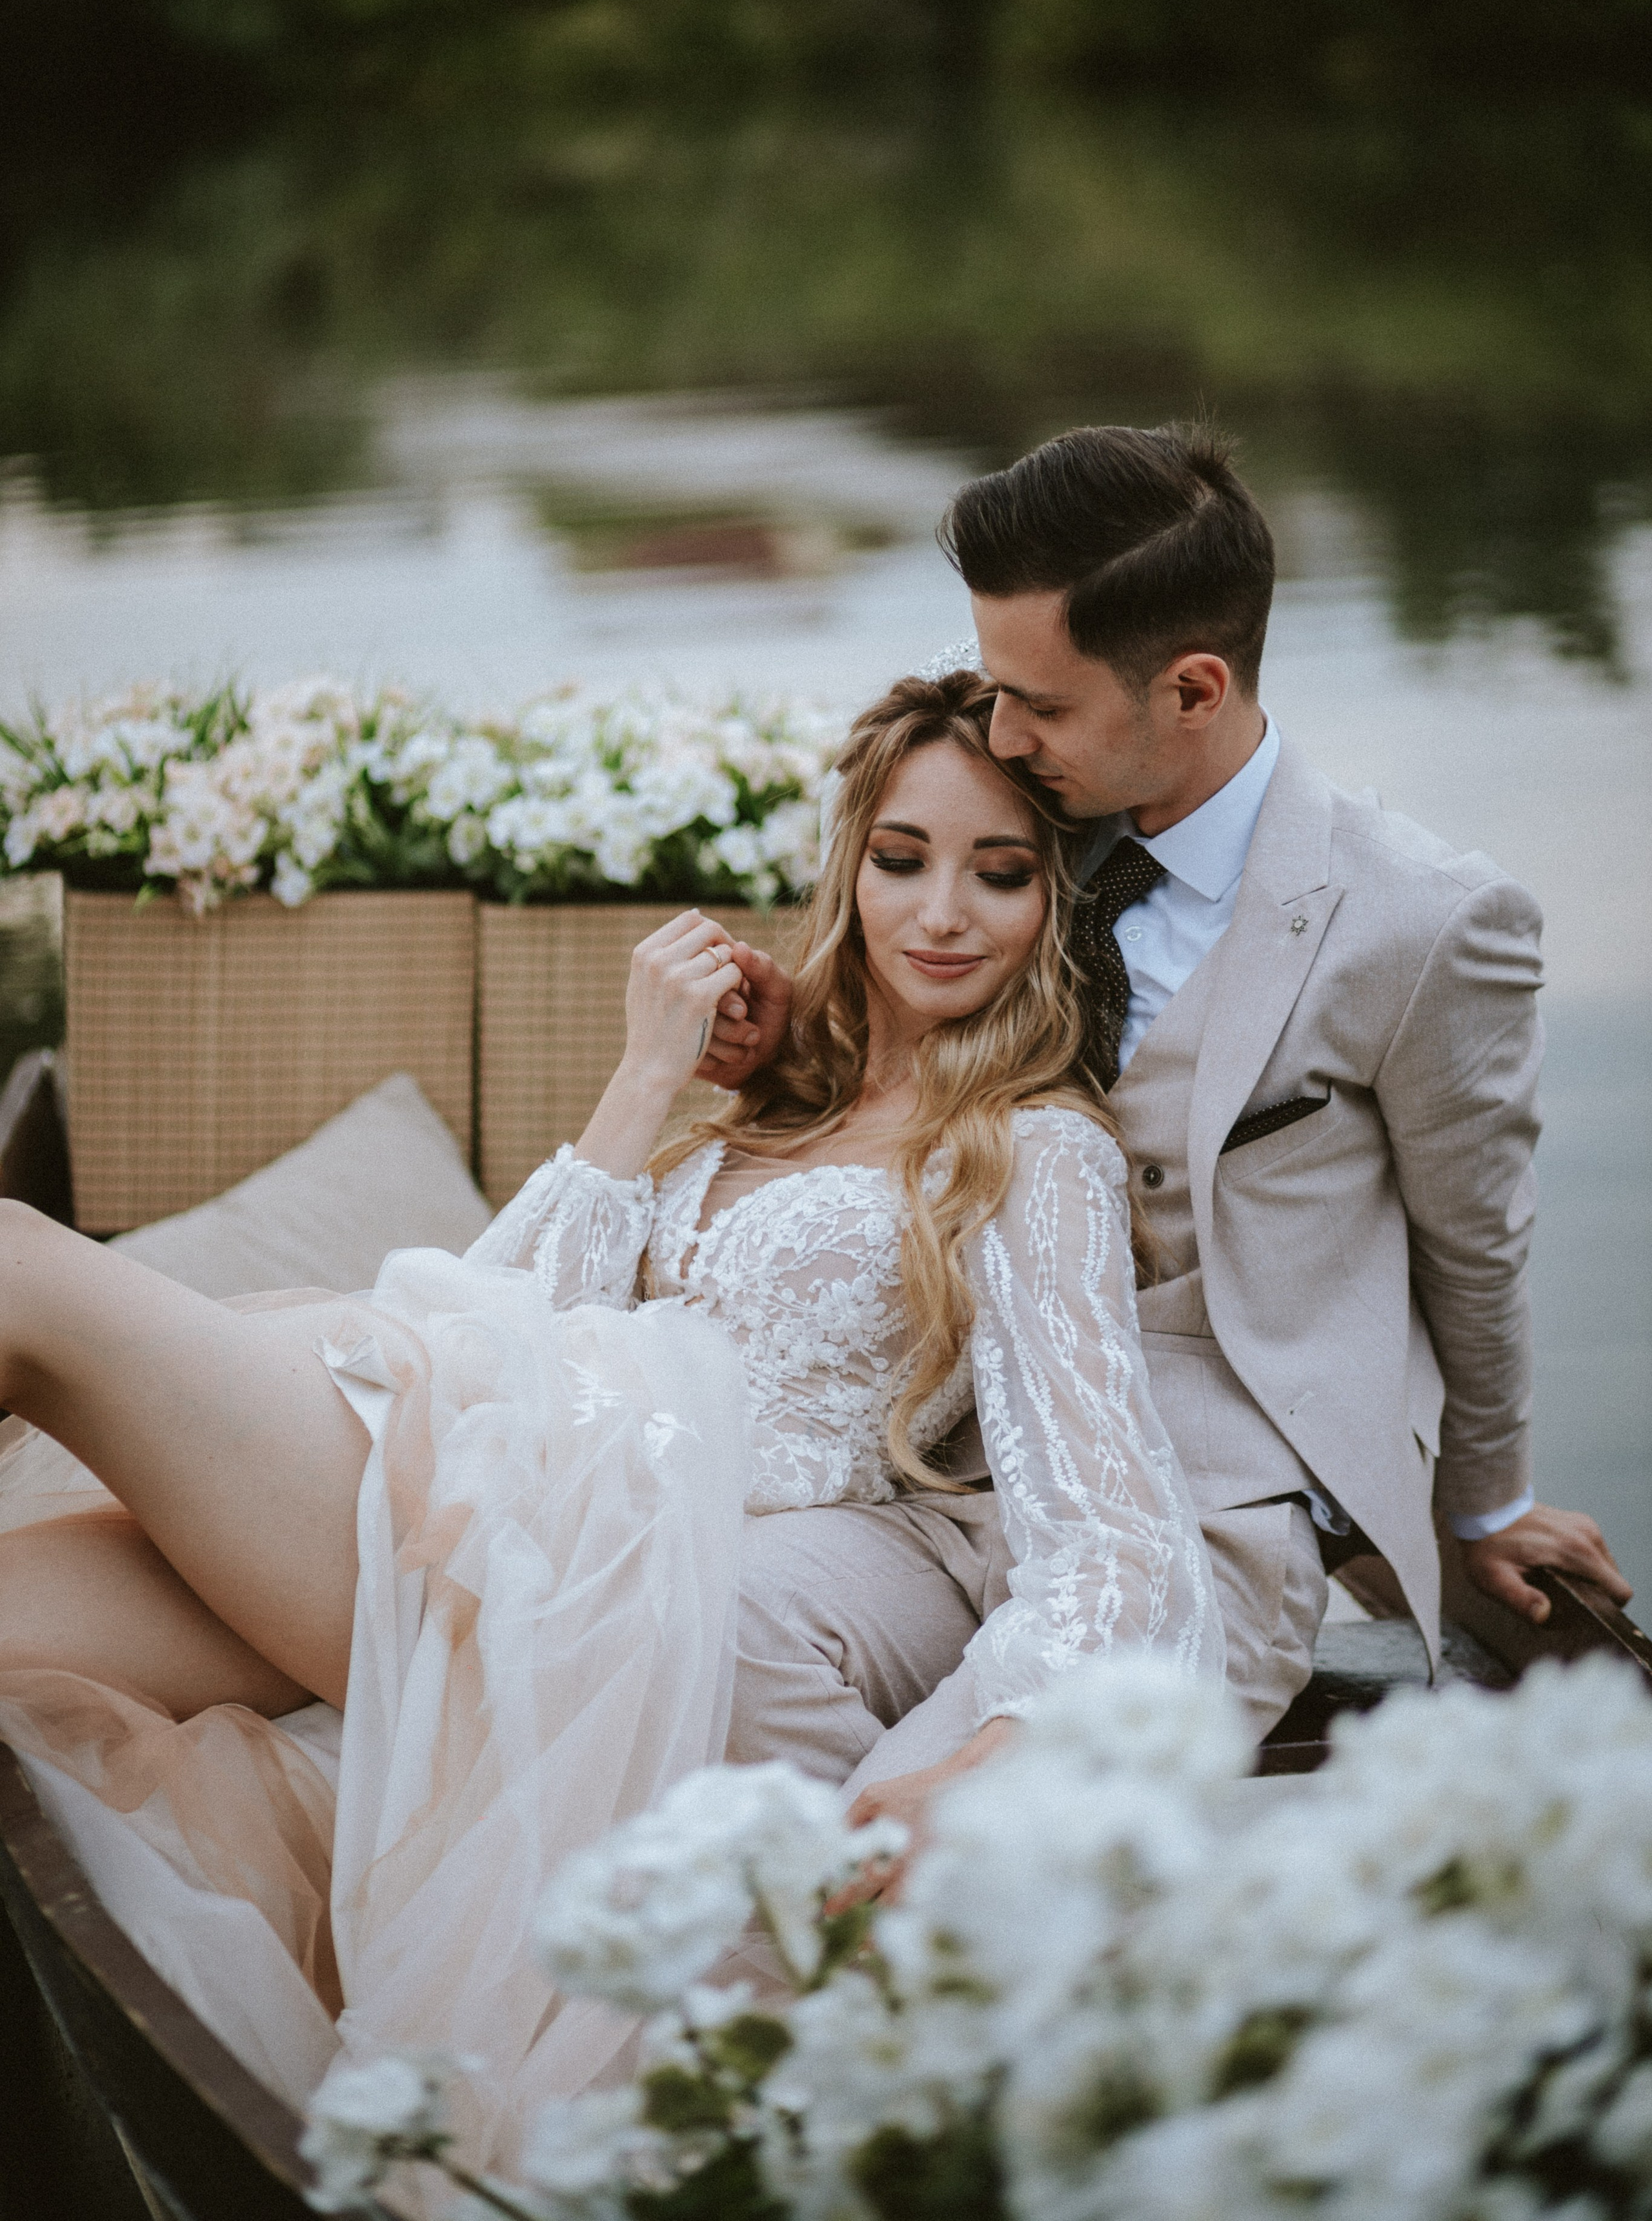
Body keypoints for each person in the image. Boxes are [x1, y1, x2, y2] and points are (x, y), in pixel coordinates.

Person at [0, 671, 1219, 2169]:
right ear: (851, 865)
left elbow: (1109, 1524)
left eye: (1001, 871)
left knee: (17, 1268)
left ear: (1057, 900)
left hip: (585, 1563)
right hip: (482, 1459)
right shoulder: (775, 1105)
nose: (942, 911)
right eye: (902, 857)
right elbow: (501, 1308)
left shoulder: (1034, 1157)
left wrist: (1001, 1751)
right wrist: (648, 1083)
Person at [707, 421, 1631, 1827]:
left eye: (1039, 704)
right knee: (700, 1644)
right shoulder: (1015, 829)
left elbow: (1473, 1244)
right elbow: (920, 1072)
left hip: (1204, 1519)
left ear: (1191, 688)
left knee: (941, 1832)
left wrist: (1480, 1504)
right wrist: (799, 1046)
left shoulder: (1424, 921)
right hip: (936, 1473)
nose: (1000, 731)